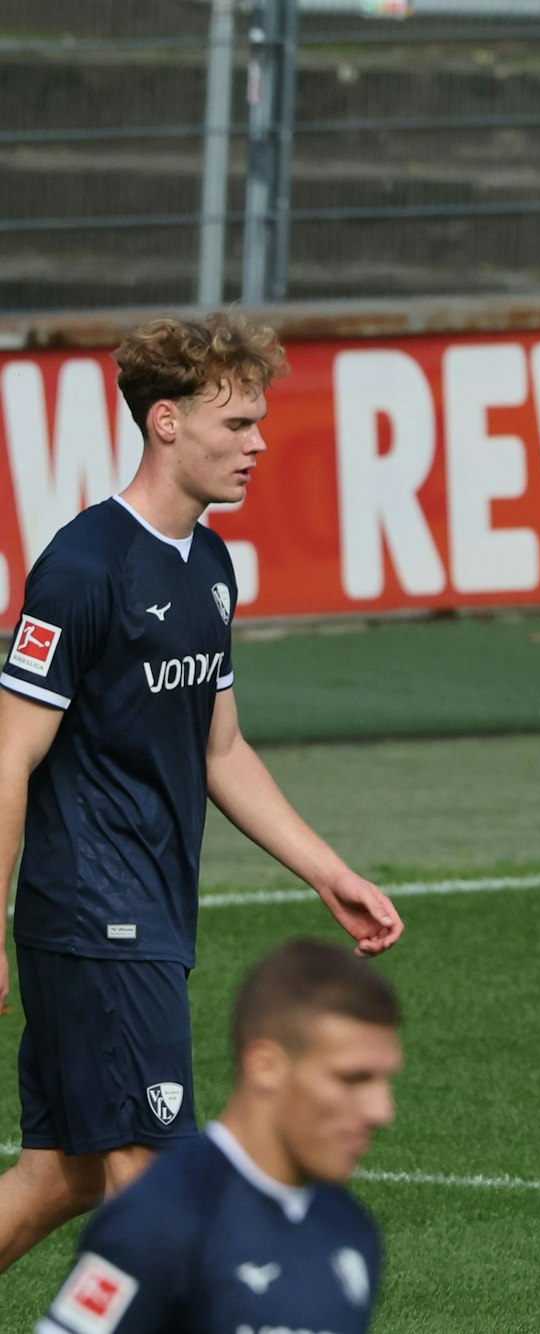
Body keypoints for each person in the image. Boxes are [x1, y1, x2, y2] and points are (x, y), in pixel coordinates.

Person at [0, 313, 404, 1273]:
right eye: (238, 426)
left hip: (146, 910)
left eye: (261, 423)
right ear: (167, 422)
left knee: (64, 1174)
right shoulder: (83, 567)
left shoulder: (210, 565)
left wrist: (326, 870)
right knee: (157, 1187)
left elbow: (220, 746)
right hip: (98, 918)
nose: (260, 444)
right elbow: (8, 755)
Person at [36, 937, 401, 1333]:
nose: (382, 1111)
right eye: (351, 1079)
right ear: (267, 1068)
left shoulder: (350, 1229)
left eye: (384, 1080)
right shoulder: (157, 1225)